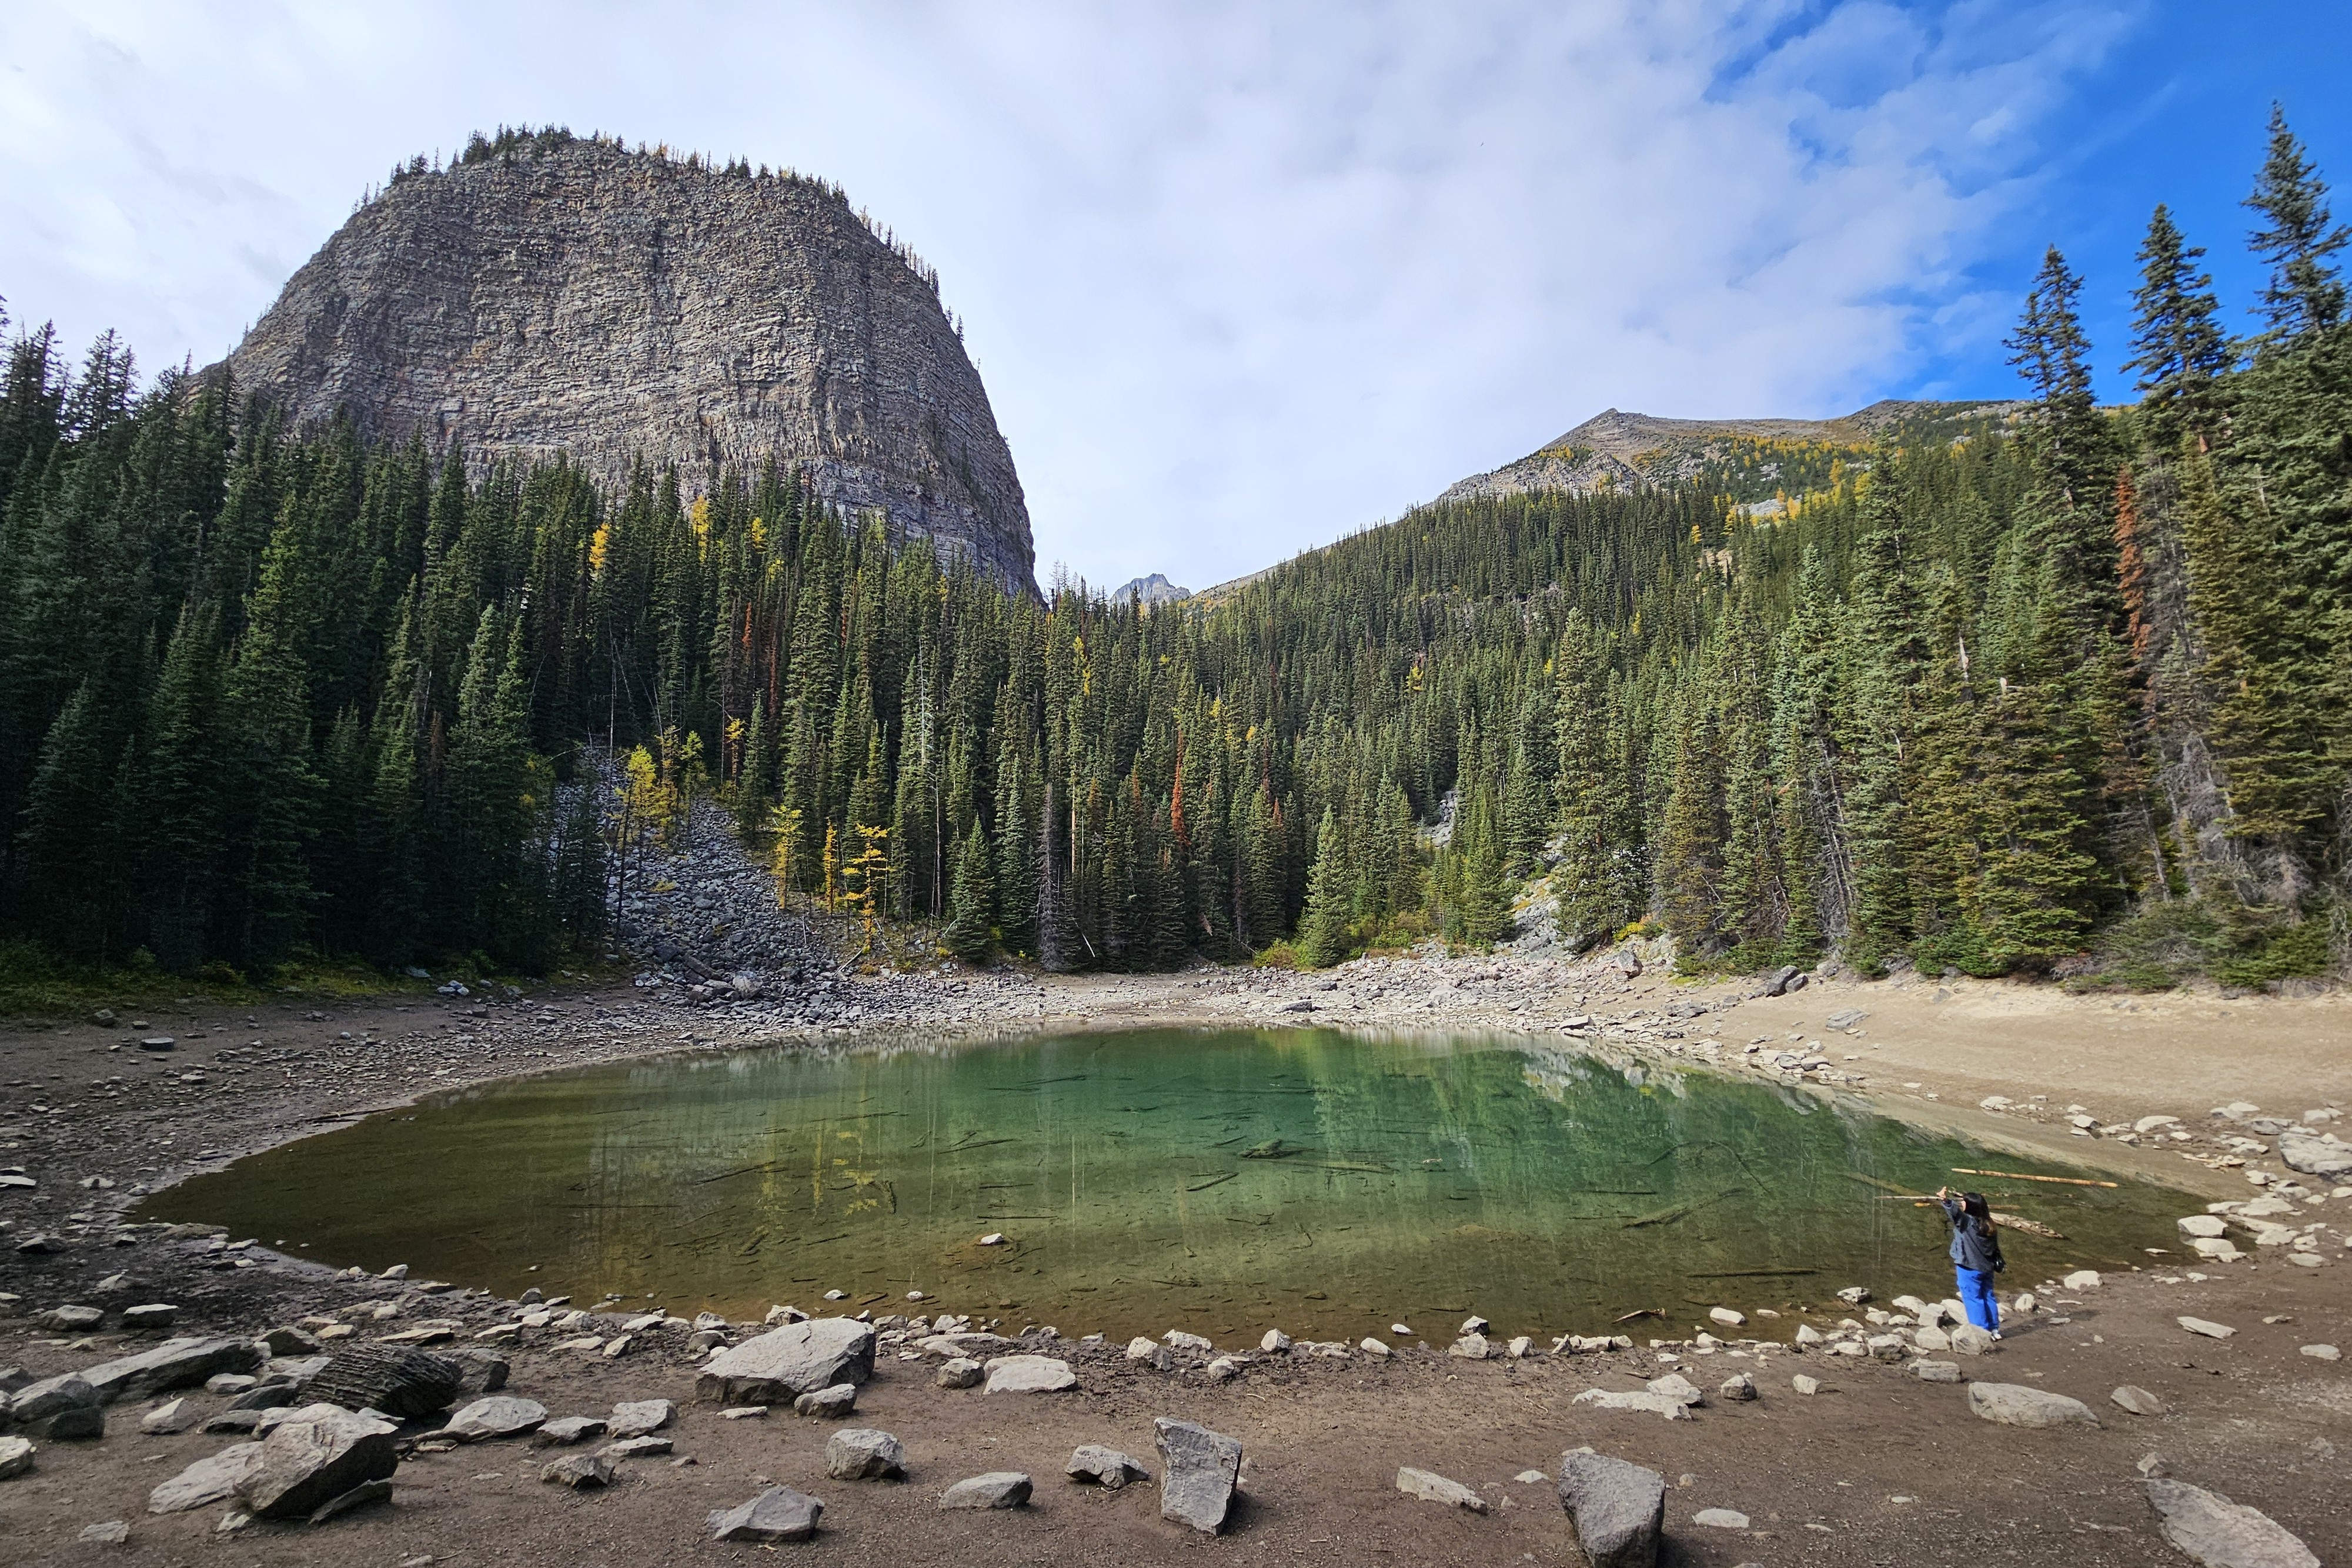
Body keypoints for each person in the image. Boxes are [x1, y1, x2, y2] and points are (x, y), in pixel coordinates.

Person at [1936, 1185, 2004, 1336]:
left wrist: (1945, 1200)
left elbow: (1955, 1214)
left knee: (1974, 1299)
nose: (1962, 1204)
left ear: (1971, 1207)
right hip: (1987, 1267)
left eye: (1964, 1202)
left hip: (1969, 1267)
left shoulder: (1968, 1223)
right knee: (1988, 1296)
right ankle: (1994, 1329)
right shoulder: (1990, 1224)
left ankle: (1981, 1331)